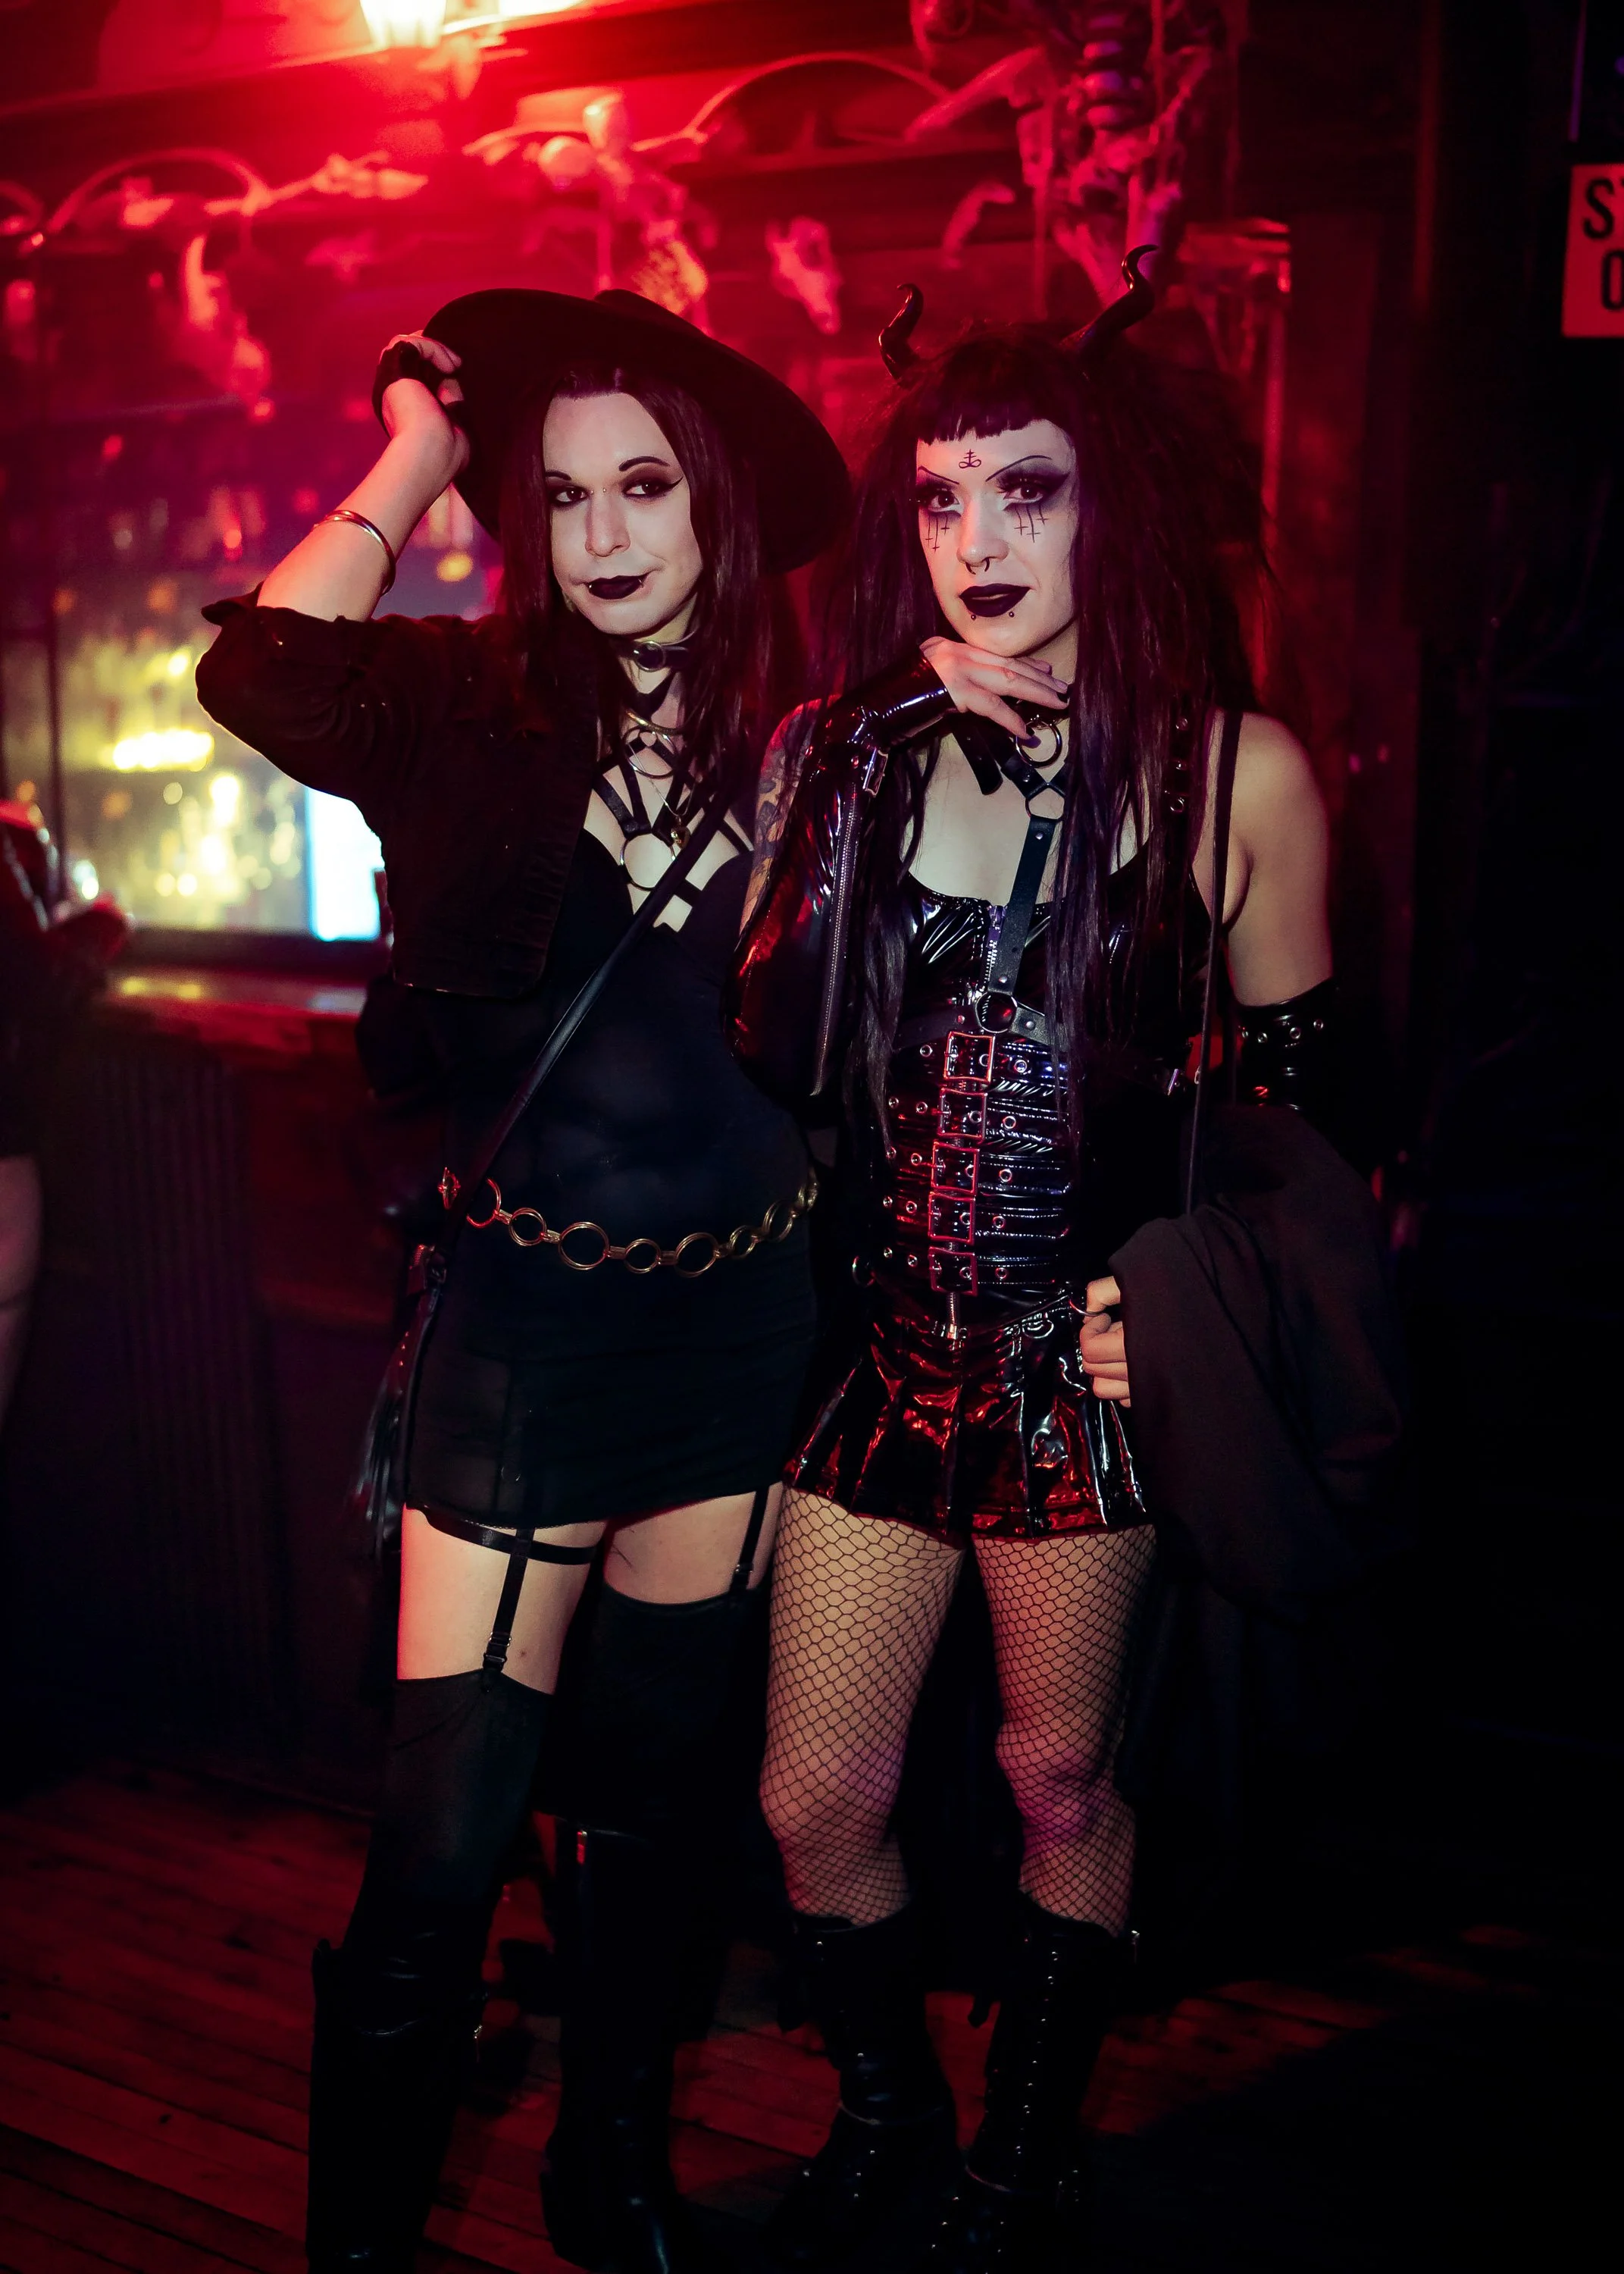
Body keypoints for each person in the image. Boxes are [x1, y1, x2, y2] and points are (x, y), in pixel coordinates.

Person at [196, 287, 848, 2274]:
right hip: (529, 1343)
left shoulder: (817, 750)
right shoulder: (467, 713)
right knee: (443, 1843)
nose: (603, 532)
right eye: (560, 498)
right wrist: (420, 444)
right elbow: (263, 672)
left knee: (652, 1818)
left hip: (736, 1331)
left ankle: (611, 2173)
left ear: (716, 502)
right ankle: (363, 2248)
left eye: (641, 485)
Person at [727, 258, 1335, 2272]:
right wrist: (862, 757)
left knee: (1058, 1776)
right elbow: (769, 1042)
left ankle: (1027, 2154)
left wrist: (1185, 1290)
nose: (976, 539)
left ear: (1108, 506)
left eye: (1027, 489)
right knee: (815, 1799)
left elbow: (1308, 1123)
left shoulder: (1233, 772)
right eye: (939, 496)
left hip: (1081, 1372)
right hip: (884, 1358)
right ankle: (890, 2107)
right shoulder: (840, 747)